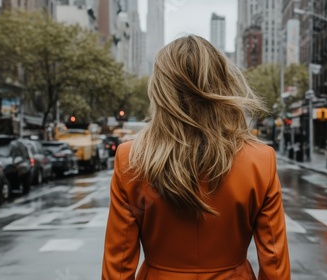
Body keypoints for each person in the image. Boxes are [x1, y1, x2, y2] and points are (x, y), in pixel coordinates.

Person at [102, 35, 290, 279]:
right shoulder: (260, 160)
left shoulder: (131, 159)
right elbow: (275, 264)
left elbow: (119, 264)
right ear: (221, 84)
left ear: (161, 90)